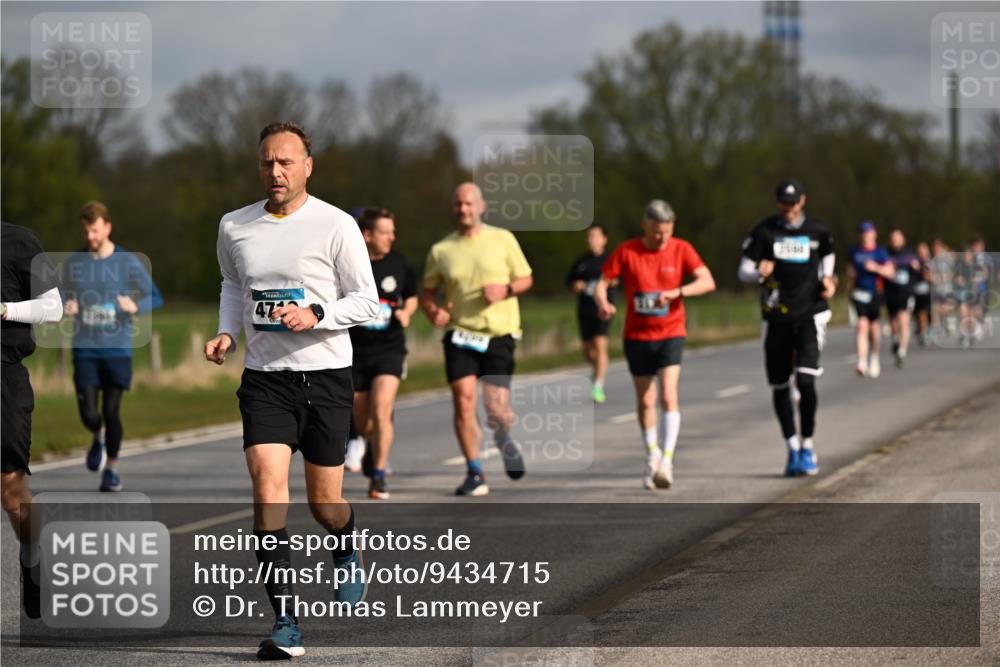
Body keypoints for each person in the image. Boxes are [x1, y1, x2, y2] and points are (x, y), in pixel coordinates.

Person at [204, 121, 378, 659]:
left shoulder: (336, 225)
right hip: (264, 382)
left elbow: (367, 302)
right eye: (266, 163)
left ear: (307, 166)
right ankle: (286, 622)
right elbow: (233, 284)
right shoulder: (236, 225)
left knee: (326, 505)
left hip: (326, 379)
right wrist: (228, 331)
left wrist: (316, 312)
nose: (275, 172)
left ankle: (346, 545)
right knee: (267, 494)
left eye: (285, 162)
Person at [420, 182, 533, 497]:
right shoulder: (441, 250)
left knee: (496, 410)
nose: (464, 209)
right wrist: (433, 312)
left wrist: (505, 290)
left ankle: (502, 437)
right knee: (463, 399)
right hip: (460, 334)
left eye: (469, 204)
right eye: (458, 204)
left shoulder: (503, 239)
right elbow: (428, 293)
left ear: (481, 206)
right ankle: (475, 471)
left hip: (499, 332)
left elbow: (526, 278)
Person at [594, 200, 715, 490]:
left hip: (671, 332)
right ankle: (652, 456)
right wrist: (603, 303)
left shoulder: (681, 248)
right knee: (646, 400)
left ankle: (668, 461)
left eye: (668, 231)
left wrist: (677, 292)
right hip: (637, 336)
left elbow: (707, 281)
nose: (663, 237)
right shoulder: (627, 251)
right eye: (658, 231)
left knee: (668, 396)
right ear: (645, 225)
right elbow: (602, 282)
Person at [61, 201, 163, 492]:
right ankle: (98, 434)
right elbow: (62, 295)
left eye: (94, 230)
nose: (89, 237)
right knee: (90, 414)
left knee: (113, 410)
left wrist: (135, 304)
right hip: (85, 348)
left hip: (117, 349)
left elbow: (155, 297)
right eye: (85, 232)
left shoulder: (127, 261)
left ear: (107, 227)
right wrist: (67, 305)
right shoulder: (75, 262)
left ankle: (112, 471)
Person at [738, 179, 836, 477]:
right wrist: (758, 272)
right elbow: (742, 270)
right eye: (783, 202)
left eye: (793, 203)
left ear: (802, 201)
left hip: (809, 314)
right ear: (777, 202)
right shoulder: (765, 231)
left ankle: (808, 445)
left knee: (805, 383)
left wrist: (829, 280)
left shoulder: (819, 231)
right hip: (776, 316)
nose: (788, 208)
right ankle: (792, 448)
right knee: (780, 385)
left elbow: (828, 257)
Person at [1, 222, 63, 618]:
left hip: (4, 375)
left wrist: (5, 309)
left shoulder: (20, 240)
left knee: (10, 491)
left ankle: (32, 554)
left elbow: (53, 307)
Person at [348, 207, 417, 500]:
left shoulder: (400, 263)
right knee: (363, 420)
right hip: (355, 351)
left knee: (382, 409)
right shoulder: (351, 265)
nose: (392, 237)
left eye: (393, 231)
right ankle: (366, 443)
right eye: (385, 232)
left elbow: (411, 296)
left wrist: (407, 313)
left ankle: (377, 476)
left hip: (390, 348)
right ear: (367, 235)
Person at [566, 223, 615, 403]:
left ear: (604, 239)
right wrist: (576, 286)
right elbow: (570, 282)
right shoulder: (581, 262)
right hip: (584, 309)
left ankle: (598, 386)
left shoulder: (610, 261)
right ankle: (597, 369)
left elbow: (621, 279)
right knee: (588, 350)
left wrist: (611, 283)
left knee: (600, 343)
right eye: (588, 236)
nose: (591, 240)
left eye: (595, 236)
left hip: (603, 309)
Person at [847, 221, 894, 378]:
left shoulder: (880, 252)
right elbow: (851, 271)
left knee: (874, 329)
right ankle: (861, 361)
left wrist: (876, 268)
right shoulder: (854, 251)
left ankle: (874, 357)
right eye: (863, 233)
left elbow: (890, 272)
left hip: (875, 292)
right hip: (859, 293)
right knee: (861, 325)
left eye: (868, 232)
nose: (865, 236)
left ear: (874, 234)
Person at [884, 228, 919, 368]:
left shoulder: (910, 254)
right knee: (893, 321)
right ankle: (895, 339)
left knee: (904, 320)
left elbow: (919, 270)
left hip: (905, 292)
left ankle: (902, 352)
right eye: (893, 238)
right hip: (890, 292)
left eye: (898, 238)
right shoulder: (885, 254)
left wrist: (916, 267)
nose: (895, 240)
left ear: (903, 240)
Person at [912, 242, 933, 347]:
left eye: (923, 249)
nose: (921, 252)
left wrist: (926, 274)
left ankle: (926, 332)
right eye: (919, 250)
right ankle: (921, 331)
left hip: (927, 291)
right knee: (918, 314)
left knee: (924, 313)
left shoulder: (929, 262)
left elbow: (930, 276)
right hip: (916, 291)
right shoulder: (914, 262)